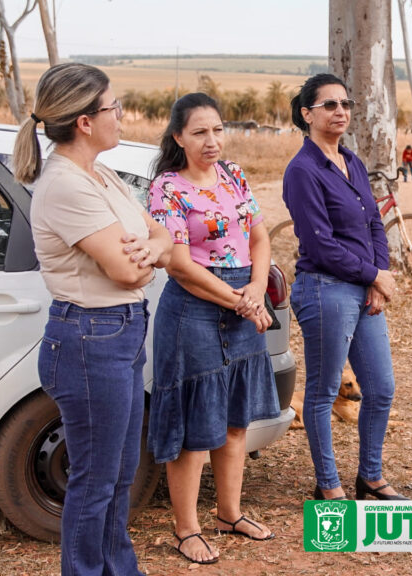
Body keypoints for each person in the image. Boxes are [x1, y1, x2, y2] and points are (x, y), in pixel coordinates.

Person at [15, 62, 173, 576]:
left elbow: (164, 235)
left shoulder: (101, 173)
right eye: (113, 107)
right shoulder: (65, 184)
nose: (122, 115)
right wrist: (146, 256)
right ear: (85, 120)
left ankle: (118, 569)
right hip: (90, 340)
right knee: (95, 478)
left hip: (119, 333)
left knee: (121, 473)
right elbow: (128, 272)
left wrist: (148, 249)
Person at [146, 93, 280, 565]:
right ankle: (187, 529)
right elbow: (179, 265)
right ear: (179, 137)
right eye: (200, 132)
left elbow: (259, 236)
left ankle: (229, 513)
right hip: (193, 312)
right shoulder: (167, 188)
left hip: (243, 301)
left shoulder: (234, 175)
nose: (212, 141)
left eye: (218, 130)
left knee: (235, 421)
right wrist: (241, 302)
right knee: (193, 429)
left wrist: (257, 288)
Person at [282, 73, 407, 502]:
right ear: (307, 114)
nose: (341, 112)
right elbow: (321, 243)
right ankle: (328, 484)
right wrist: (373, 275)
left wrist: (378, 277)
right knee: (322, 392)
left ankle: (370, 477)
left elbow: (374, 222)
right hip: (325, 289)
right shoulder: (302, 171)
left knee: (381, 387)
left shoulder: (351, 160)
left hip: (363, 289)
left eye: (345, 104)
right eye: (329, 105)